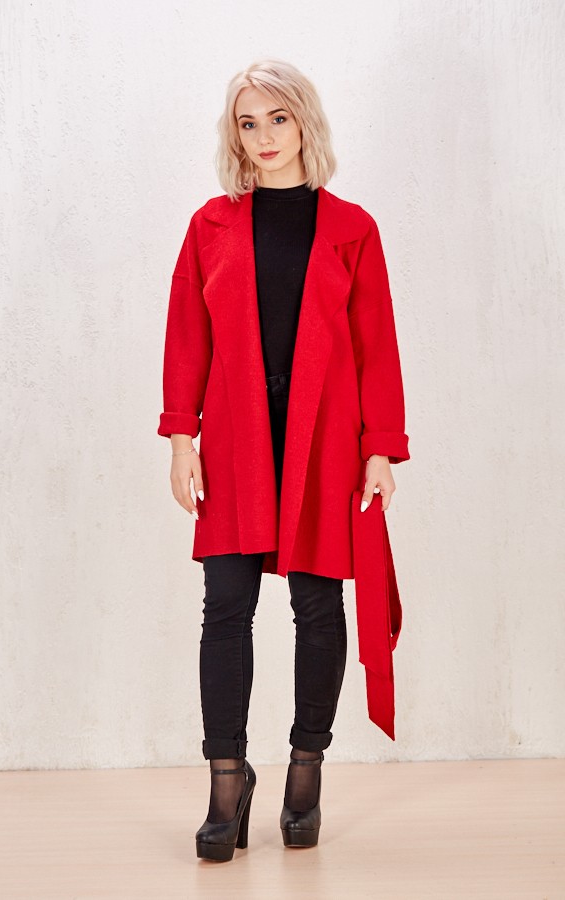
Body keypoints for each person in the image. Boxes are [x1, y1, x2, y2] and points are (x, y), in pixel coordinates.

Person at [157, 58, 410, 862]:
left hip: (324, 442)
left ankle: (306, 771)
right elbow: (187, 336)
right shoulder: (210, 226)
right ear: (234, 135)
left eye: (278, 118)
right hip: (235, 442)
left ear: (304, 122)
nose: (264, 136)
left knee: (318, 605)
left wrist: (380, 448)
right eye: (248, 122)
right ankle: (226, 783)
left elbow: (376, 345)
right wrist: (182, 438)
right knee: (225, 606)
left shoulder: (352, 228)